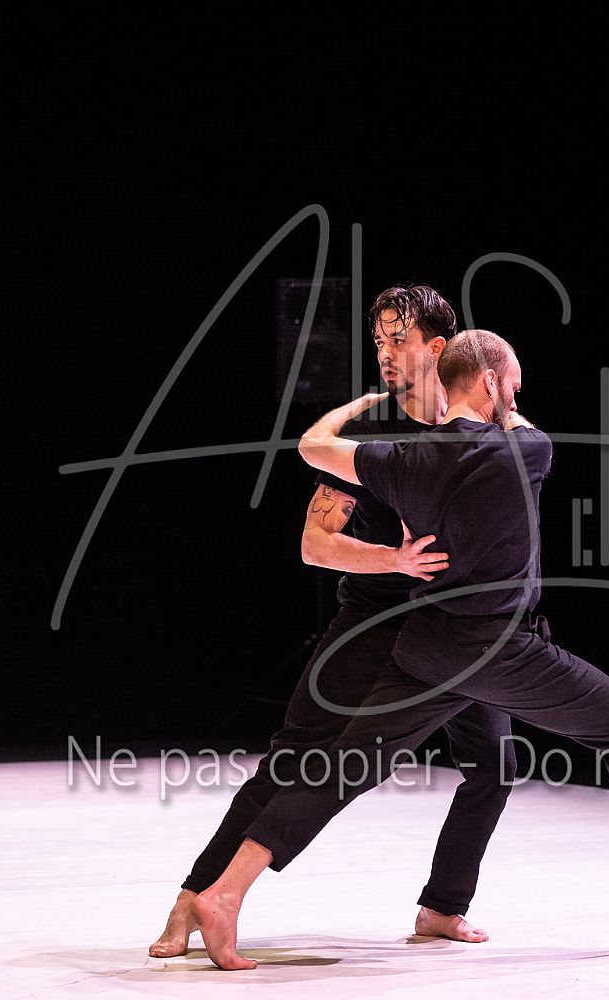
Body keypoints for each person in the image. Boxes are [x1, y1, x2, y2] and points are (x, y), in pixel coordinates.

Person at [188, 329, 609, 970]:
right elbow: (514, 421)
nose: (516, 397)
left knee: (344, 768)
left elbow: (313, 448)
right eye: (512, 384)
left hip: (427, 648)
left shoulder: (401, 459)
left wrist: (355, 409)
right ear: (489, 382)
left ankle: (227, 893)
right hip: (499, 651)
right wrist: (498, 399)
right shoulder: (526, 450)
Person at [148, 288, 516, 958]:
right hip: (375, 619)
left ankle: (442, 907)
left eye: (398, 340)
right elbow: (314, 545)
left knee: (493, 766)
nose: (385, 354)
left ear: (437, 348)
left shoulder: (477, 430)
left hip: (454, 628)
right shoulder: (371, 435)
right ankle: (193, 899)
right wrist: (394, 559)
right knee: (295, 758)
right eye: (378, 342)